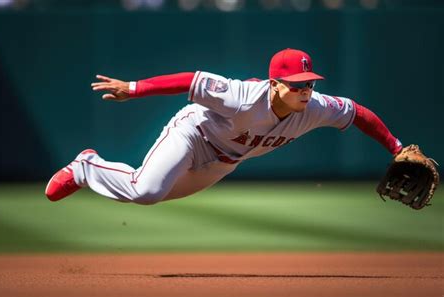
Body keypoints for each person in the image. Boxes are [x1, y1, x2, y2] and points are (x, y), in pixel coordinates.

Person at [45, 48, 402, 205]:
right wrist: (134, 89)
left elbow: (358, 113)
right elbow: (190, 80)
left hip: (224, 163)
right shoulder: (242, 96)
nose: (306, 90)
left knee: (157, 194)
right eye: (297, 84)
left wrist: (397, 149)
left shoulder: (317, 106)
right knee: (147, 191)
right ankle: (85, 166)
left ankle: (92, 170)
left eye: (309, 82)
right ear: (275, 83)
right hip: (193, 135)